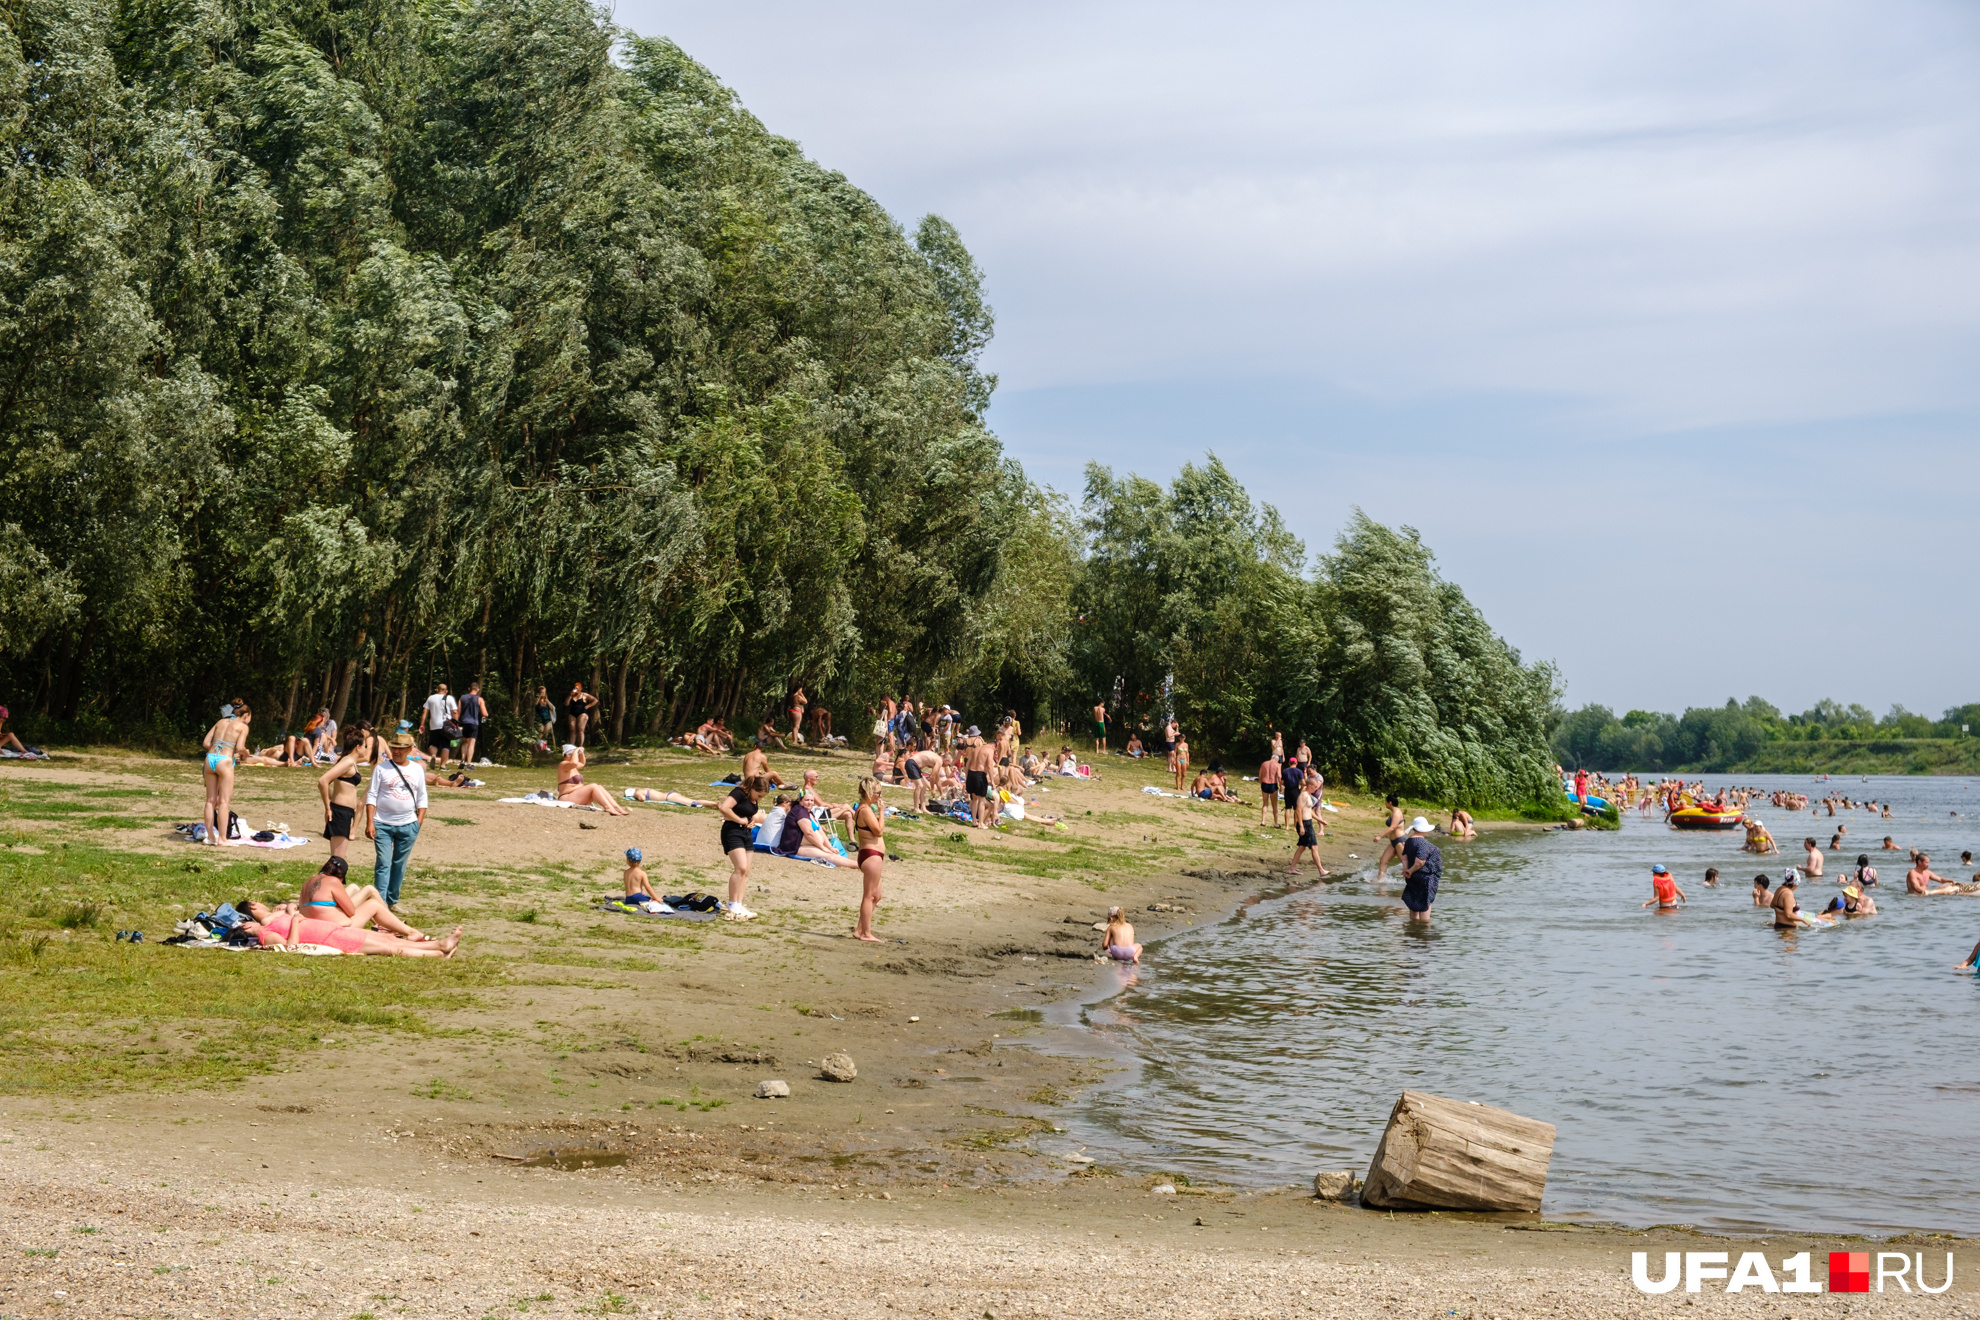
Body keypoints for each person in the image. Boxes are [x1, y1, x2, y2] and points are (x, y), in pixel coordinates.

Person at [238, 899, 460, 957]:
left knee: (389, 941)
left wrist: (290, 911)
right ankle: (437, 953)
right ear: (246, 928)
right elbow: (290, 946)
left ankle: (438, 946)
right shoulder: (266, 935)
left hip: (332, 931)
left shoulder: (271, 923)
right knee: (389, 948)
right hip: (333, 940)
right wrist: (295, 920)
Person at [364, 732, 428, 909]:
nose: (396, 751)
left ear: (409, 749)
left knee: (399, 865)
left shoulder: (416, 769)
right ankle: (379, 903)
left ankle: (392, 900)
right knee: (383, 863)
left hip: (408, 825)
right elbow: (372, 795)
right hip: (382, 824)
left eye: (400, 748)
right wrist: (370, 821)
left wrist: (418, 822)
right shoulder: (382, 768)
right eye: (394, 748)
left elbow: (422, 797)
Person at [297, 855, 427, 939]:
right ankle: (406, 930)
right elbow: (351, 912)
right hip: (335, 929)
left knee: (354, 887)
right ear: (340, 876)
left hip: (313, 925)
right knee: (372, 898)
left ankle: (385, 925)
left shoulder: (308, 881)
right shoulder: (333, 881)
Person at [316, 725, 375, 861]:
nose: (366, 749)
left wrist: (334, 797)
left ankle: (331, 881)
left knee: (338, 859)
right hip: (340, 812)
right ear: (357, 747)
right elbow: (323, 781)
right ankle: (326, 881)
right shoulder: (347, 761)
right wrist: (328, 808)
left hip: (345, 812)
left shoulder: (351, 762)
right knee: (337, 860)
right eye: (365, 746)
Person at [200, 699, 252, 846]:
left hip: (210, 759)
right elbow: (241, 747)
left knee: (210, 801)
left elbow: (205, 743)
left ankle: (210, 837)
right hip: (225, 760)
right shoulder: (242, 726)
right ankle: (222, 838)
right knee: (223, 802)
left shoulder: (220, 722)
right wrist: (245, 753)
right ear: (246, 715)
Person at [717, 774, 769, 920]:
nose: (759, 799)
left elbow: (748, 814)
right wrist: (739, 820)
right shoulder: (738, 792)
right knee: (740, 868)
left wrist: (751, 821)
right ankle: (732, 904)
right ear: (752, 788)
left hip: (746, 833)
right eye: (758, 795)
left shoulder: (753, 799)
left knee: (746, 871)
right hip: (732, 832)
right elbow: (725, 808)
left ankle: (739, 904)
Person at [777, 792, 857, 868]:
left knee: (832, 854)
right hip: (796, 847)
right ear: (800, 801)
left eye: (812, 800)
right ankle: (859, 865)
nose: (810, 802)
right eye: (807, 800)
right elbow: (809, 833)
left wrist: (829, 847)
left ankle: (858, 864)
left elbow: (820, 831)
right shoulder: (800, 811)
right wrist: (823, 847)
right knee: (829, 856)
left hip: (810, 844)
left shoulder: (809, 813)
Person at [853, 777, 887, 942]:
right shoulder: (865, 810)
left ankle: (859, 929)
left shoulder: (865, 809)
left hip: (873, 855)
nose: (879, 796)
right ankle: (866, 933)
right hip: (870, 856)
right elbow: (878, 831)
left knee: (877, 895)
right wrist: (882, 812)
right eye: (877, 792)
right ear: (869, 793)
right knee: (868, 896)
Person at [556, 745, 630, 815]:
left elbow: (582, 763)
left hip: (577, 796)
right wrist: (576, 750)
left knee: (599, 787)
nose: (577, 756)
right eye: (574, 754)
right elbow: (574, 763)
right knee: (593, 786)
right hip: (567, 797)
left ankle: (616, 807)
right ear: (568, 755)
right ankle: (608, 807)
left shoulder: (572, 766)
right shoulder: (563, 764)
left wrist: (581, 753)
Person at [1400, 817, 1442, 920]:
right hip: (1426, 877)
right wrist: (1410, 870)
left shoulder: (1408, 841)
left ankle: (1413, 927)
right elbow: (1420, 862)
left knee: (1414, 903)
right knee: (1425, 904)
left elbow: (1404, 857)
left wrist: (1407, 870)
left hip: (1413, 877)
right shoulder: (1423, 843)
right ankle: (1424, 930)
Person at [1289, 770, 1328, 877]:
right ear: (1310, 785)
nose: (1316, 789)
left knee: (1302, 847)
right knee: (1314, 847)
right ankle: (1321, 870)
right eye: (1315, 787)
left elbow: (1309, 811)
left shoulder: (1308, 796)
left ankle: (1292, 869)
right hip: (1304, 824)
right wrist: (1301, 826)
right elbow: (1298, 810)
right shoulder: (1304, 796)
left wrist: (1320, 820)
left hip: (1308, 823)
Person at [965, 727, 996, 829]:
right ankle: (981, 823)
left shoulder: (976, 749)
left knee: (974, 799)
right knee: (981, 800)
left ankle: (974, 821)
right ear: (993, 746)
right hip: (980, 775)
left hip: (971, 773)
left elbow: (967, 764)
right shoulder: (989, 750)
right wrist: (992, 780)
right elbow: (990, 766)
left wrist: (966, 777)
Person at [420, 683, 457, 767]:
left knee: (433, 744)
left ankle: (433, 755)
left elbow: (424, 712)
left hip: (434, 725)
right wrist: (455, 724)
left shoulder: (431, 698)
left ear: (437, 690)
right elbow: (455, 712)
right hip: (446, 725)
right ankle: (443, 765)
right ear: (446, 691)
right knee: (446, 745)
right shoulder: (450, 698)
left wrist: (422, 724)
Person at [1373, 794, 1407, 881]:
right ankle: (1380, 882)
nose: (1385, 803)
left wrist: (1380, 836)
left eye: (1386, 801)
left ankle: (1411, 883)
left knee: (1405, 863)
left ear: (1390, 803)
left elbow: (1393, 827)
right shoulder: (1393, 812)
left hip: (1399, 841)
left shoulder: (1397, 813)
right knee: (1383, 861)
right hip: (1393, 842)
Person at [456, 681, 488, 768]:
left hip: (463, 723)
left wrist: (456, 723)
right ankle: (469, 763)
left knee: (464, 742)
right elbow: (485, 713)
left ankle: (462, 759)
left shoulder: (462, 698)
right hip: (473, 723)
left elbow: (458, 712)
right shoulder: (479, 699)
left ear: (469, 689)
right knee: (471, 743)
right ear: (478, 690)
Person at [566, 682, 599, 748]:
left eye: (577, 688)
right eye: (575, 688)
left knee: (580, 730)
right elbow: (566, 704)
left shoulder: (584, 695)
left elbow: (595, 700)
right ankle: (571, 747)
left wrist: (588, 706)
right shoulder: (572, 695)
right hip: (572, 713)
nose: (576, 689)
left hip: (582, 713)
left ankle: (580, 746)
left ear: (580, 689)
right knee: (572, 730)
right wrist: (570, 695)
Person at [1259, 752, 1282, 827]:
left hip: (1265, 783)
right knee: (1274, 804)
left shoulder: (1264, 763)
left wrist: (1261, 784)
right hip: (1273, 784)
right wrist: (1281, 786)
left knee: (1265, 803)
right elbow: (1279, 776)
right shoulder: (1277, 765)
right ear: (1277, 759)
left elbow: (1260, 776)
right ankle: (1275, 823)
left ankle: (1263, 821)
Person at [533, 686, 557, 752]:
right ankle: (536, 746)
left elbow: (552, 709)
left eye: (544, 692)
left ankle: (543, 747)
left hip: (547, 719)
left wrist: (547, 701)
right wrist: (539, 698)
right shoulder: (537, 700)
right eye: (541, 692)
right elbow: (534, 705)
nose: (543, 693)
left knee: (546, 733)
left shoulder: (547, 701)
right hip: (539, 719)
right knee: (540, 733)